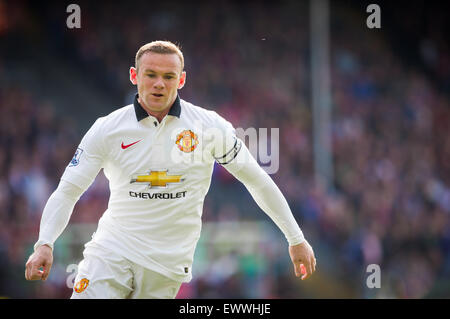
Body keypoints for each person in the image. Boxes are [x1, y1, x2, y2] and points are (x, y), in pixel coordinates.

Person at [25, 40, 316, 298]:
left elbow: (257, 181)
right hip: (111, 251)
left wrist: (296, 238)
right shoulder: (107, 129)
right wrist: (45, 243)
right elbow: (68, 191)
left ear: (182, 80)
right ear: (134, 75)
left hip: (167, 264)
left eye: (168, 76)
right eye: (150, 75)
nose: (159, 84)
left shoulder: (210, 127)